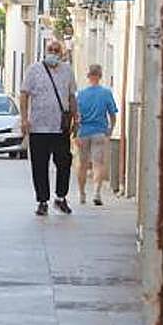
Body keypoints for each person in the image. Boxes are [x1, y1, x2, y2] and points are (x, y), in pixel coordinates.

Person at [20, 40, 80, 215]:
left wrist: (76, 119)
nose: (53, 52)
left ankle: (61, 197)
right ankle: (42, 200)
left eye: (56, 50)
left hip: (60, 127)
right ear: (45, 51)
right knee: (39, 165)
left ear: (62, 53)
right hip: (38, 127)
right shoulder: (34, 70)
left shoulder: (67, 71)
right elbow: (24, 94)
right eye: (50, 49)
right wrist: (24, 119)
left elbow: (72, 97)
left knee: (64, 162)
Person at [75, 64, 118, 206]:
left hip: (83, 132)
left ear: (88, 76)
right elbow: (112, 114)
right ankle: (97, 193)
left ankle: (82, 194)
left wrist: (75, 133)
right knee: (98, 164)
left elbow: (76, 116)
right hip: (99, 132)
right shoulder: (106, 93)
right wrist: (110, 130)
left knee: (82, 164)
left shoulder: (80, 94)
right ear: (100, 76)